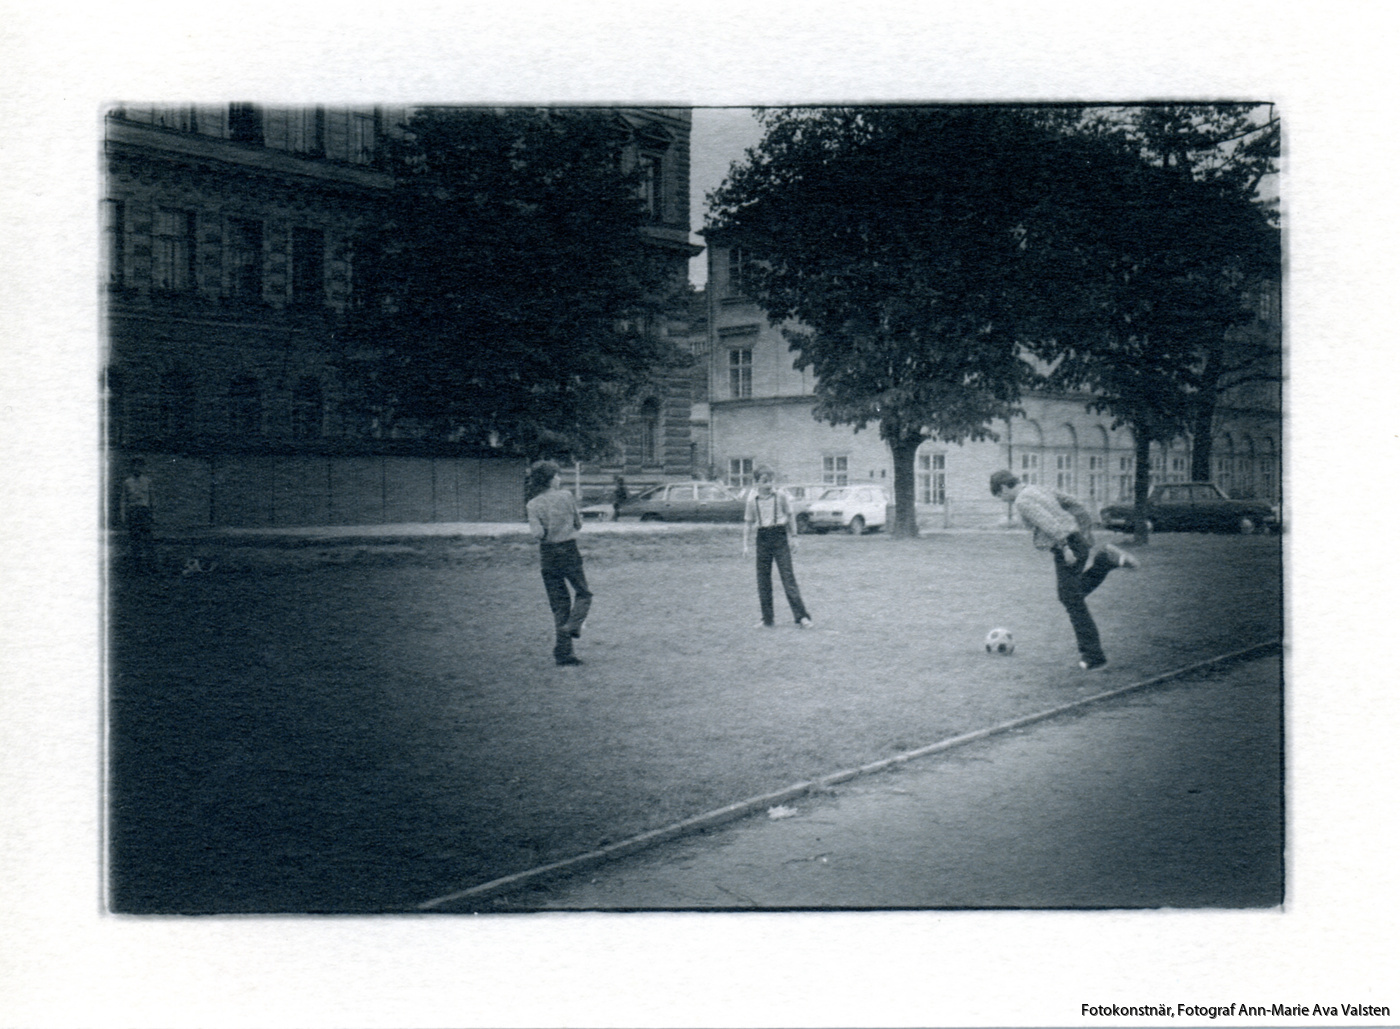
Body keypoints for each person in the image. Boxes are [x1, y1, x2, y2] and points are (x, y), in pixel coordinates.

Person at [990, 468, 1138, 671]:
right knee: (1071, 595)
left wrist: (1065, 547)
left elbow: (1049, 523)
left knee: (1071, 599)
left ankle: (1094, 655)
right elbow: (1073, 502)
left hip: (1066, 545)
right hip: (1077, 539)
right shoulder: (1037, 488)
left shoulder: (1022, 501)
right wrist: (1084, 531)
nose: (1003, 500)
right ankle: (1105, 560)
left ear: (1005, 487)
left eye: (1000, 495)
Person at [525, 460, 593, 666]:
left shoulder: (532, 504)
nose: (559, 478)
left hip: (548, 554)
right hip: (569, 551)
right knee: (583, 593)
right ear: (550, 479)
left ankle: (564, 654)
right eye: (557, 475)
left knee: (560, 605)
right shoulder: (566, 496)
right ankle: (573, 625)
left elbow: (537, 533)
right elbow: (578, 524)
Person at [742, 468, 813, 629]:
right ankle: (767, 619)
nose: (769, 484)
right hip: (762, 538)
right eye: (765, 481)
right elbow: (748, 523)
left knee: (788, 577)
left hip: (779, 536)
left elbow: (790, 515)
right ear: (756, 483)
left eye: (771, 480)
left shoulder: (781, 496)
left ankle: (802, 617)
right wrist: (745, 544)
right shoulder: (752, 500)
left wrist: (794, 537)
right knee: (763, 580)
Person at [120, 456, 156, 574]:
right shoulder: (127, 482)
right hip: (133, 512)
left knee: (147, 539)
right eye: (135, 466)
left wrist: (152, 514)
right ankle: (137, 567)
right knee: (135, 540)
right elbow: (124, 500)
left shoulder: (147, 481)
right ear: (131, 467)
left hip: (144, 512)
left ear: (143, 468)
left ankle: (151, 567)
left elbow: (151, 499)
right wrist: (123, 515)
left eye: (140, 466)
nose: (137, 468)